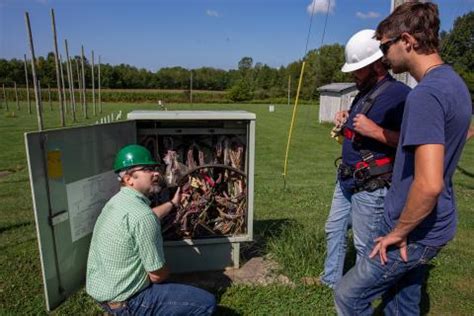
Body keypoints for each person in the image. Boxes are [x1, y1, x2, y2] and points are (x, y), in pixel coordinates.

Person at [334, 3, 472, 315]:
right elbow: (462, 134)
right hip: (433, 222)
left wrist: (399, 231)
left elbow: (429, 184)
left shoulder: (426, 95)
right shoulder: (454, 83)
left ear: (407, 41)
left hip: (413, 228)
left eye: (385, 46)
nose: (382, 56)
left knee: (347, 295)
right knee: (402, 303)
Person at [320, 29, 410, 289]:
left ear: (376, 65)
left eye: (358, 69)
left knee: (365, 245)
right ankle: (330, 282)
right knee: (334, 229)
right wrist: (344, 118)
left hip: (372, 184)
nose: (353, 75)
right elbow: (360, 122)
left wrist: (375, 131)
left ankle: (359, 295)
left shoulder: (400, 95)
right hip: (347, 178)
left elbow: (411, 141)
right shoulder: (364, 91)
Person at [86, 144, 216, 315]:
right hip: (129, 302)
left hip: (104, 292)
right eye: (147, 169)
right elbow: (157, 275)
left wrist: (173, 204)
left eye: (154, 168)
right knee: (206, 303)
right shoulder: (142, 217)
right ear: (128, 179)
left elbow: (147, 216)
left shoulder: (117, 202)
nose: (156, 173)